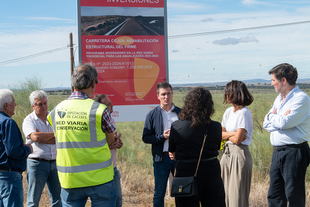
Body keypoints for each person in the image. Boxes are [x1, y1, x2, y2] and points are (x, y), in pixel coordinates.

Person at [47, 64, 117, 206]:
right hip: (100, 179)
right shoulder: (100, 110)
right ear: (92, 82)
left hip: (70, 180)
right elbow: (111, 141)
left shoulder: (56, 111)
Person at [169, 87, 226, 207]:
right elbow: (217, 147)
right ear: (209, 105)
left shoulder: (177, 126)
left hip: (185, 171)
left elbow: (173, 153)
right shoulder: (216, 127)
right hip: (211, 170)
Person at [263, 63, 310, 207]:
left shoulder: (301, 98)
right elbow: (266, 124)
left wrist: (275, 117)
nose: (271, 84)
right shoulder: (279, 99)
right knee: (275, 195)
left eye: (273, 80)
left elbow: (284, 123)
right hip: (278, 152)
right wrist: (276, 116)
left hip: (294, 152)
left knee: (293, 195)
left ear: (283, 80)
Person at [142, 82, 180, 207]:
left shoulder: (181, 113)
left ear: (172, 94)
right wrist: (162, 137)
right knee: (159, 194)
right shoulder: (152, 115)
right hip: (161, 158)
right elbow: (146, 138)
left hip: (179, 159)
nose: (166, 97)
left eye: (168, 93)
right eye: (163, 94)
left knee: (182, 190)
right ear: (158, 96)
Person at [22, 90, 61, 207]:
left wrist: (41, 136)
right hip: (37, 164)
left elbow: (60, 139)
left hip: (56, 162)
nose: (43, 106)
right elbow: (35, 137)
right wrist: (55, 134)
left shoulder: (54, 117)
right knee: (33, 201)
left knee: (58, 200)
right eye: (40, 104)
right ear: (33, 106)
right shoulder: (29, 120)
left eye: (45, 103)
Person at [220, 80, 253, 207]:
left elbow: (238, 140)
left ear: (235, 93)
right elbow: (220, 135)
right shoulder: (228, 112)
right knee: (224, 193)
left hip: (239, 154)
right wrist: (232, 134)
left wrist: (228, 135)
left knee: (237, 196)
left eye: (227, 91)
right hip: (226, 153)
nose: (225, 94)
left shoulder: (244, 112)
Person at [0, 89, 33, 207]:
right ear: (6, 105)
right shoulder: (8, 123)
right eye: (14, 102)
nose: (15, 104)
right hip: (9, 177)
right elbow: (13, 151)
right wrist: (28, 149)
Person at [93, 94, 123, 207]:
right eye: (109, 104)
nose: (112, 105)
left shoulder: (111, 119)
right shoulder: (94, 122)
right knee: (105, 201)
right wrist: (110, 142)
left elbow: (112, 140)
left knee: (118, 198)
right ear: (101, 107)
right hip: (101, 168)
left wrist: (118, 143)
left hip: (113, 166)